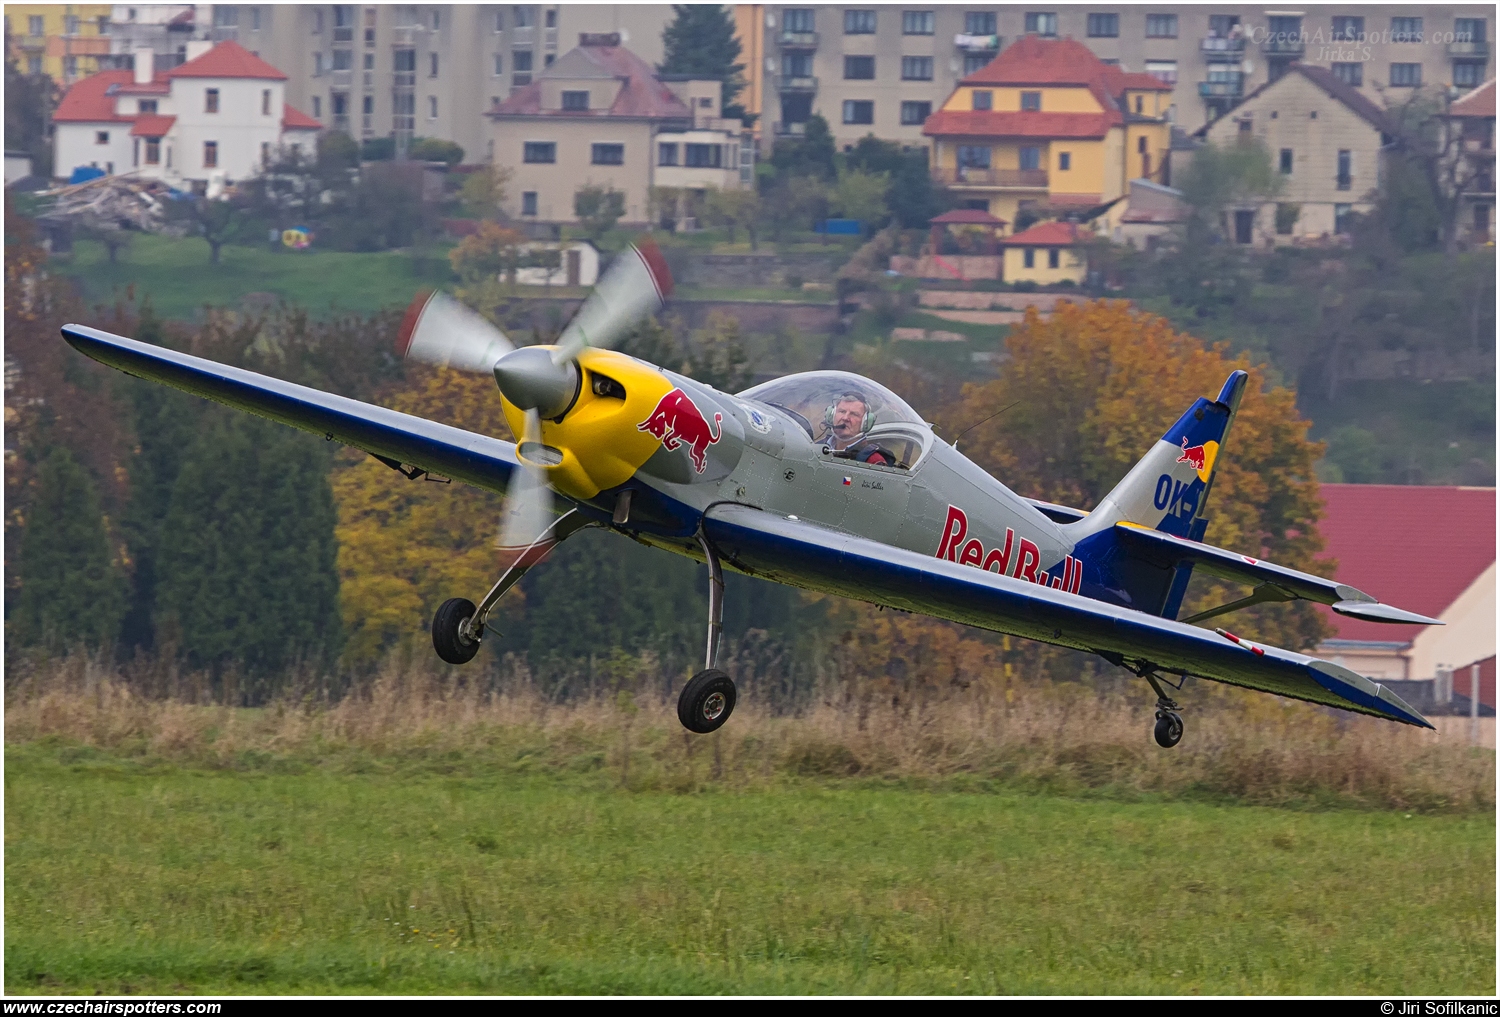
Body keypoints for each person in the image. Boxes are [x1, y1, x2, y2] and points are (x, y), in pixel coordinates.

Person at [819, 392, 896, 466]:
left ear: (865, 422)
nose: (845, 418)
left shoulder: (873, 461)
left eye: (854, 414)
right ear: (832, 415)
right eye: (842, 411)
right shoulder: (816, 448)